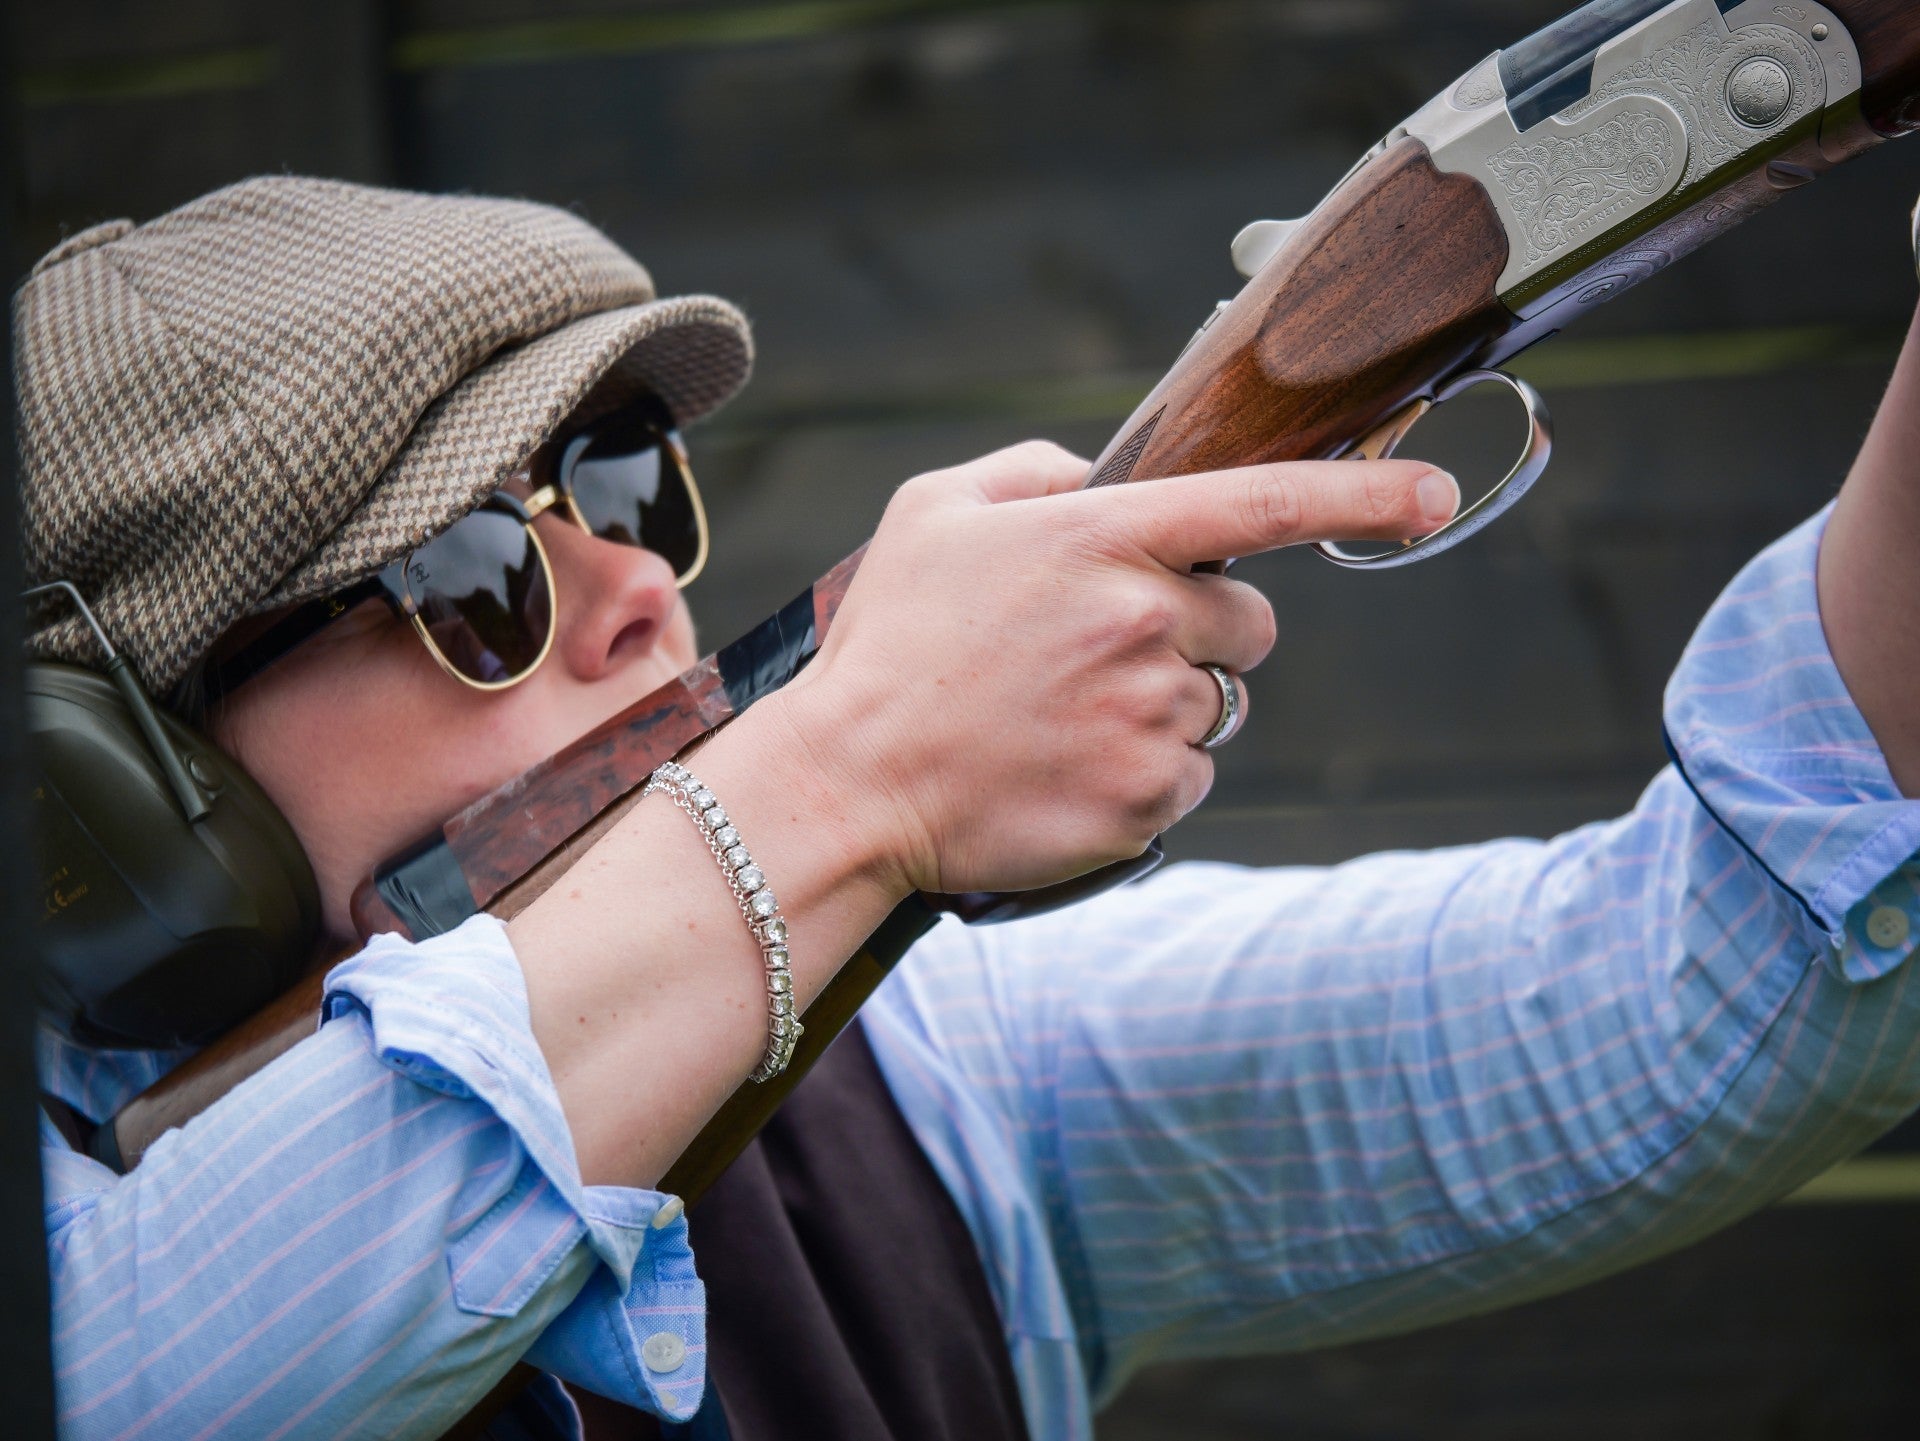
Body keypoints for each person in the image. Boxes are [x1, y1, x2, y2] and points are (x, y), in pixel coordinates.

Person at [21, 175, 1920, 1441]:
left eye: (617, 483)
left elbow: (1692, 996)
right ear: (119, 810)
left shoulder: (905, 1064)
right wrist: (856, 769)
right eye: (469, 577)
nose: (640, 589)